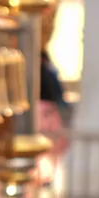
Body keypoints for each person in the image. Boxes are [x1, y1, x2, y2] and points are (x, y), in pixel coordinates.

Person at [37, 50, 71, 185]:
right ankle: (43, 178)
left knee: (48, 149)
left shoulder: (47, 73)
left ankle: (45, 178)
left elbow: (57, 95)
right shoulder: (48, 73)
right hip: (45, 113)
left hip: (45, 114)